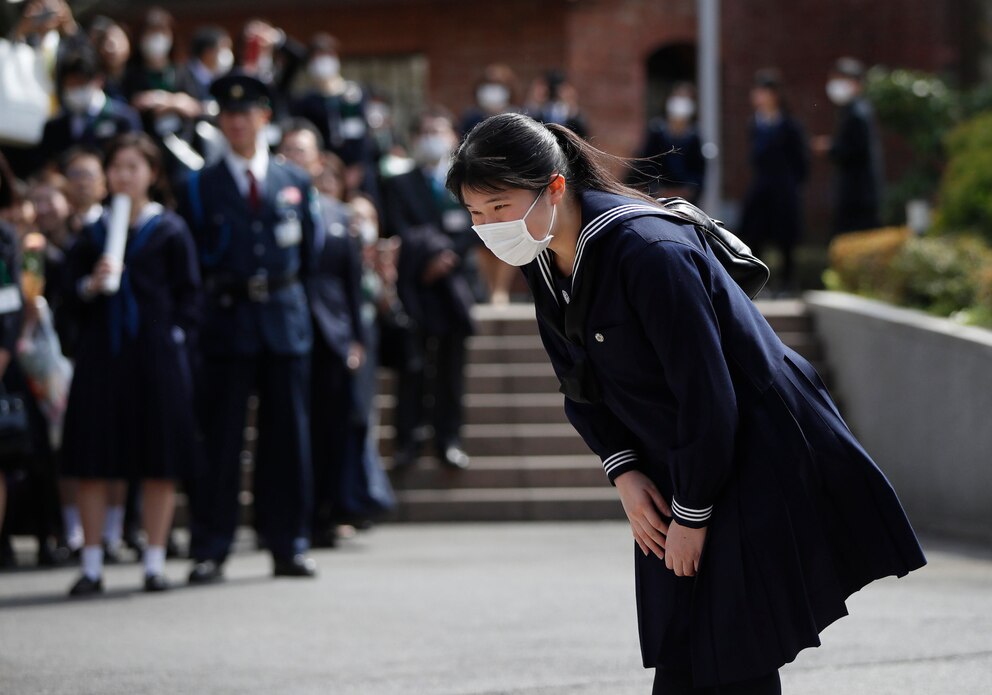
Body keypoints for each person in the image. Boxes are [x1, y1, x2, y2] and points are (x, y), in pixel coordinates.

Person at [447, 113, 927, 694]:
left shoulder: (649, 251)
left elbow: (708, 393)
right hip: (674, 459)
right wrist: (622, 469)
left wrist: (693, 513)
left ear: (553, 186)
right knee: (687, 645)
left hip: (750, 453)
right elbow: (576, 381)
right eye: (476, 214)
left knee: (734, 651)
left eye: (499, 207)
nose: (489, 226)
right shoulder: (544, 256)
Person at [182, 72, 320, 583]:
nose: (237, 121)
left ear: (264, 117)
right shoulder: (199, 185)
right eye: (228, 113)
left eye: (247, 112)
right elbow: (196, 259)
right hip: (228, 318)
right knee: (221, 438)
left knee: (288, 439)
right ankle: (212, 544)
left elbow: (309, 254)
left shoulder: (295, 181)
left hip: (283, 317)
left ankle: (288, 542)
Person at [60, 132, 200, 595]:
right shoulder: (92, 232)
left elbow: (189, 296)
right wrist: (89, 284)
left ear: (152, 175)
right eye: (116, 167)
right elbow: (66, 298)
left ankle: (155, 561)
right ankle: (94, 563)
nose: (123, 175)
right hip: (103, 355)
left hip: (156, 357)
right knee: (94, 460)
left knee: (159, 459)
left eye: (133, 167)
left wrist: (174, 337)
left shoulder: (169, 230)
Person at [277, 120, 366, 546]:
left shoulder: (338, 214)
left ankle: (327, 515)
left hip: (331, 334)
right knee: (287, 432)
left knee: (332, 430)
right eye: (289, 151)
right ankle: (282, 520)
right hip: (284, 330)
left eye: (303, 151)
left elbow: (351, 282)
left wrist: (356, 338)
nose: (297, 158)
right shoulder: (274, 204)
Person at [381, 107, 475, 471]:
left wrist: (448, 255)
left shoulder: (465, 180)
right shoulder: (398, 183)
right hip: (416, 285)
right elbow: (397, 226)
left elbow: (476, 222)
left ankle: (448, 440)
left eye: (438, 129)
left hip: (454, 287)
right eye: (424, 131)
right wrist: (428, 258)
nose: (431, 137)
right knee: (412, 366)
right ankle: (407, 441)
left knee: (452, 368)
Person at [738, 69, 808, 296]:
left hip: (784, 188)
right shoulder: (755, 124)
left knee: (785, 238)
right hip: (761, 186)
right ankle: (759, 283)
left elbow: (801, 163)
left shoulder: (789, 125)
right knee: (755, 234)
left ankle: (787, 283)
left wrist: (792, 185)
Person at [33, 48, 141, 176]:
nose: (75, 90)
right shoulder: (54, 127)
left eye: (80, 83)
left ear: (99, 80)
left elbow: (133, 160)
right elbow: (46, 167)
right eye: (70, 85)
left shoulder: (124, 118)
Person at [812, 57, 883, 234]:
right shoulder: (855, 109)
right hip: (860, 192)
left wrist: (830, 148)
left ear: (856, 83)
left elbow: (853, 150)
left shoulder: (857, 113)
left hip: (857, 194)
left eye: (840, 79)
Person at [628, 82, 706, 204]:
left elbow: (699, 172)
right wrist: (657, 189)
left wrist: (687, 190)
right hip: (658, 196)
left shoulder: (694, 137)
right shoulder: (657, 131)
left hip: (686, 200)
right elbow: (645, 163)